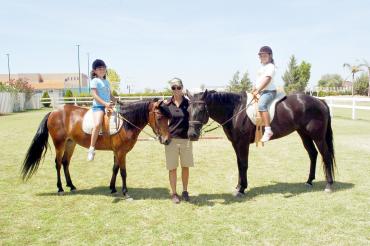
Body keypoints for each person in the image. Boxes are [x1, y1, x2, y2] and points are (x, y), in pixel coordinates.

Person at [163, 78, 194, 204]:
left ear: (182, 88)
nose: (176, 90)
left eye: (178, 87)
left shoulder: (189, 103)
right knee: (172, 168)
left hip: (186, 140)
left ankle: (185, 191)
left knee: (185, 167)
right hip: (171, 141)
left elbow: (197, 113)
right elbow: (161, 121)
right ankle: (174, 193)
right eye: (173, 88)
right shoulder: (166, 104)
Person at [87, 59, 118, 161]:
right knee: (97, 125)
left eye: (103, 68)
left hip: (108, 106)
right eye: (99, 68)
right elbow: (94, 95)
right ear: (95, 71)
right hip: (99, 107)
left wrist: (116, 100)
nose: (102, 70)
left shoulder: (106, 82)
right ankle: (91, 149)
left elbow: (109, 94)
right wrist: (105, 104)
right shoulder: (94, 81)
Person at [252, 46, 277, 142]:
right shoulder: (262, 67)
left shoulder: (271, 66)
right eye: (261, 56)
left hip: (269, 92)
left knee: (261, 105)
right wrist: (254, 88)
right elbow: (258, 80)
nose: (262, 57)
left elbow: (267, 80)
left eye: (264, 55)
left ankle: (268, 130)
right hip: (260, 91)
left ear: (270, 56)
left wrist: (258, 90)